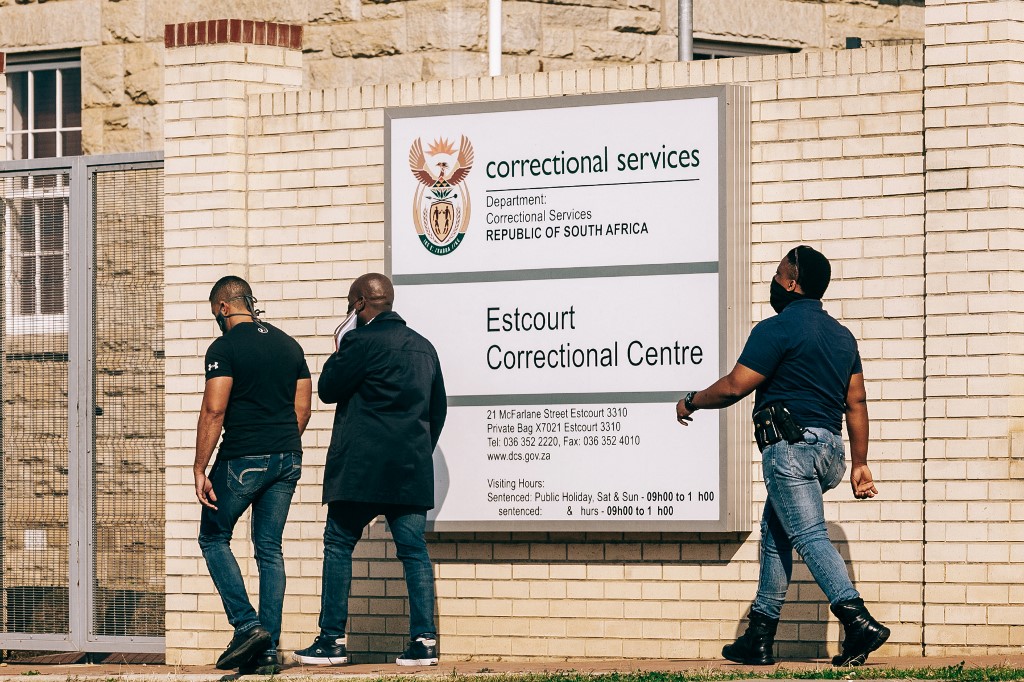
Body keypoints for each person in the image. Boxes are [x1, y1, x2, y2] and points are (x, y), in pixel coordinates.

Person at [675, 245, 889, 667]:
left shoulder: (776, 329)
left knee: (808, 536)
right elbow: (856, 402)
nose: (773, 282)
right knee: (775, 533)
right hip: (829, 452)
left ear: (791, 283)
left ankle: (858, 620)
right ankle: (759, 634)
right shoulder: (842, 336)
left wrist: (692, 400)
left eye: (777, 275)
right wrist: (860, 462)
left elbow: (736, 385)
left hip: (790, 449)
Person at [293, 273, 447, 667]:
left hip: (360, 470)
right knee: (414, 552)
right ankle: (424, 642)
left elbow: (327, 388)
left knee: (338, 544)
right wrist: (414, 451)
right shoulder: (425, 348)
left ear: (360, 304)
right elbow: (437, 411)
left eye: (350, 304)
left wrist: (343, 337)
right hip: (408, 469)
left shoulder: (359, 341)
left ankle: (331, 641)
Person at [194, 276, 312, 674]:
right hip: (287, 458)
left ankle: (247, 626)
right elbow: (303, 409)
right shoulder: (289, 344)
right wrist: (280, 444)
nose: (217, 320)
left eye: (216, 313)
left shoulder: (224, 347)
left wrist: (199, 466)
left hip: (244, 456)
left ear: (224, 307)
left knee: (212, 536)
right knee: (269, 549)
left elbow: (214, 409)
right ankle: (266, 653)